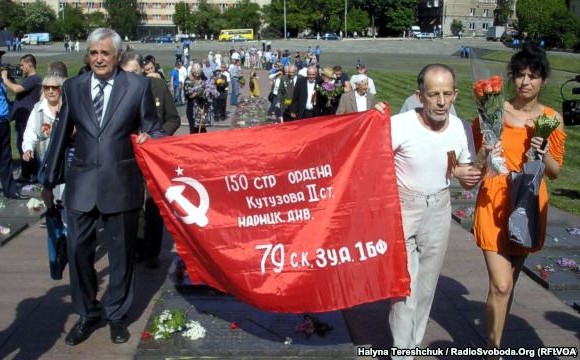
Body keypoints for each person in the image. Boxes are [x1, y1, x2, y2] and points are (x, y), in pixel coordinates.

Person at [40, 28, 164, 346]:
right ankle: (88, 313)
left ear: (117, 56)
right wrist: (47, 180)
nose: (98, 58)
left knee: (121, 255)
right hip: (81, 183)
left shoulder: (137, 86)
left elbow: (153, 126)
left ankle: (117, 316)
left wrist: (152, 137)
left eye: (104, 53)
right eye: (93, 53)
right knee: (78, 251)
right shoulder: (74, 87)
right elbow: (59, 135)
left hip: (121, 183)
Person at [377, 64, 482, 359]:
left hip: (438, 208)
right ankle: (403, 351)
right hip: (403, 208)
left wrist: (470, 173)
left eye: (446, 94)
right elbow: (369, 157)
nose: (440, 101)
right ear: (419, 95)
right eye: (433, 94)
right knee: (403, 289)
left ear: (454, 95)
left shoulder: (460, 128)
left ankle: (414, 342)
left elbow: (463, 171)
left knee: (425, 289)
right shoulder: (399, 125)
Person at [471, 43, 566, 355]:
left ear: (543, 81)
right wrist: (486, 149)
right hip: (494, 200)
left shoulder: (551, 119)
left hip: (527, 202)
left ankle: (494, 341)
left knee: (508, 285)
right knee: (501, 284)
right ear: (512, 78)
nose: (526, 82)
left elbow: (553, 172)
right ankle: (493, 347)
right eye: (521, 75)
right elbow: (476, 163)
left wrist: (544, 151)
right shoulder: (492, 112)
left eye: (533, 76)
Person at [119, 50, 180, 269]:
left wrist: (155, 136)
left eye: (135, 72)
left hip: (152, 156)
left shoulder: (157, 88)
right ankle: (136, 247)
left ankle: (152, 250)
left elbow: (173, 119)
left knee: (153, 204)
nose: (131, 78)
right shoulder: (116, 93)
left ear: (143, 71)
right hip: (125, 156)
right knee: (131, 204)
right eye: (126, 73)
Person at [1, 53, 42, 184]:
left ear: (30, 64)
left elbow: (17, 89)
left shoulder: (34, 79)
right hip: (22, 117)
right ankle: (31, 173)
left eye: (22, 65)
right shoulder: (28, 79)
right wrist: (11, 79)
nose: (21, 67)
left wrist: (5, 79)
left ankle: (31, 173)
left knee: (25, 146)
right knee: (21, 145)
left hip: (27, 118)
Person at [0, 62, 29, 200]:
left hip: (3, 121)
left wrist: (8, 79)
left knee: (5, 157)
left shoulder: (2, 79)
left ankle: (10, 189)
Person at [184, 63, 213, 133]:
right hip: (192, 109)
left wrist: (208, 92)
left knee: (202, 130)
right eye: (195, 73)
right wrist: (198, 92)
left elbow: (209, 88)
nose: (197, 75)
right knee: (194, 130)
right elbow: (188, 95)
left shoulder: (204, 78)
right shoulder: (188, 80)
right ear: (192, 72)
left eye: (198, 73)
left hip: (202, 108)